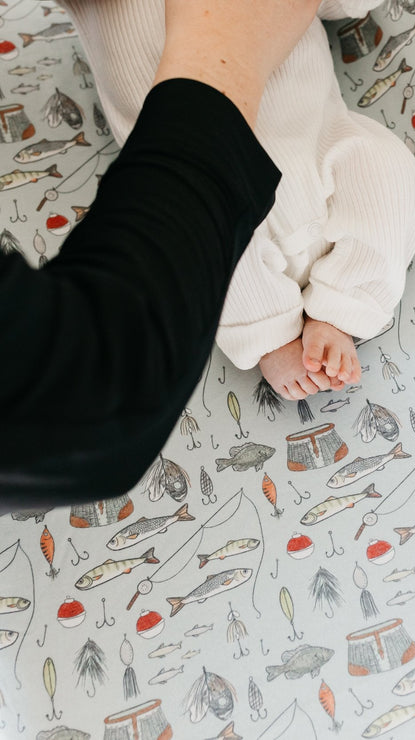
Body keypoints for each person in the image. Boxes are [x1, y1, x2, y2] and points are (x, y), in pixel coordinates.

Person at [0, 1, 324, 510]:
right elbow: (77, 399)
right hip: (204, 132)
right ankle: (277, 327)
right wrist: (224, 62)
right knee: (222, 274)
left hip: (300, 122)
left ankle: (337, 303)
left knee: (386, 183)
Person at [58, 0, 415, 402]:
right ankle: (267, 332)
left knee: (391, 177)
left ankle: (344, 303)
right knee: (195, 245)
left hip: (321, 143)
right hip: (202, 182)